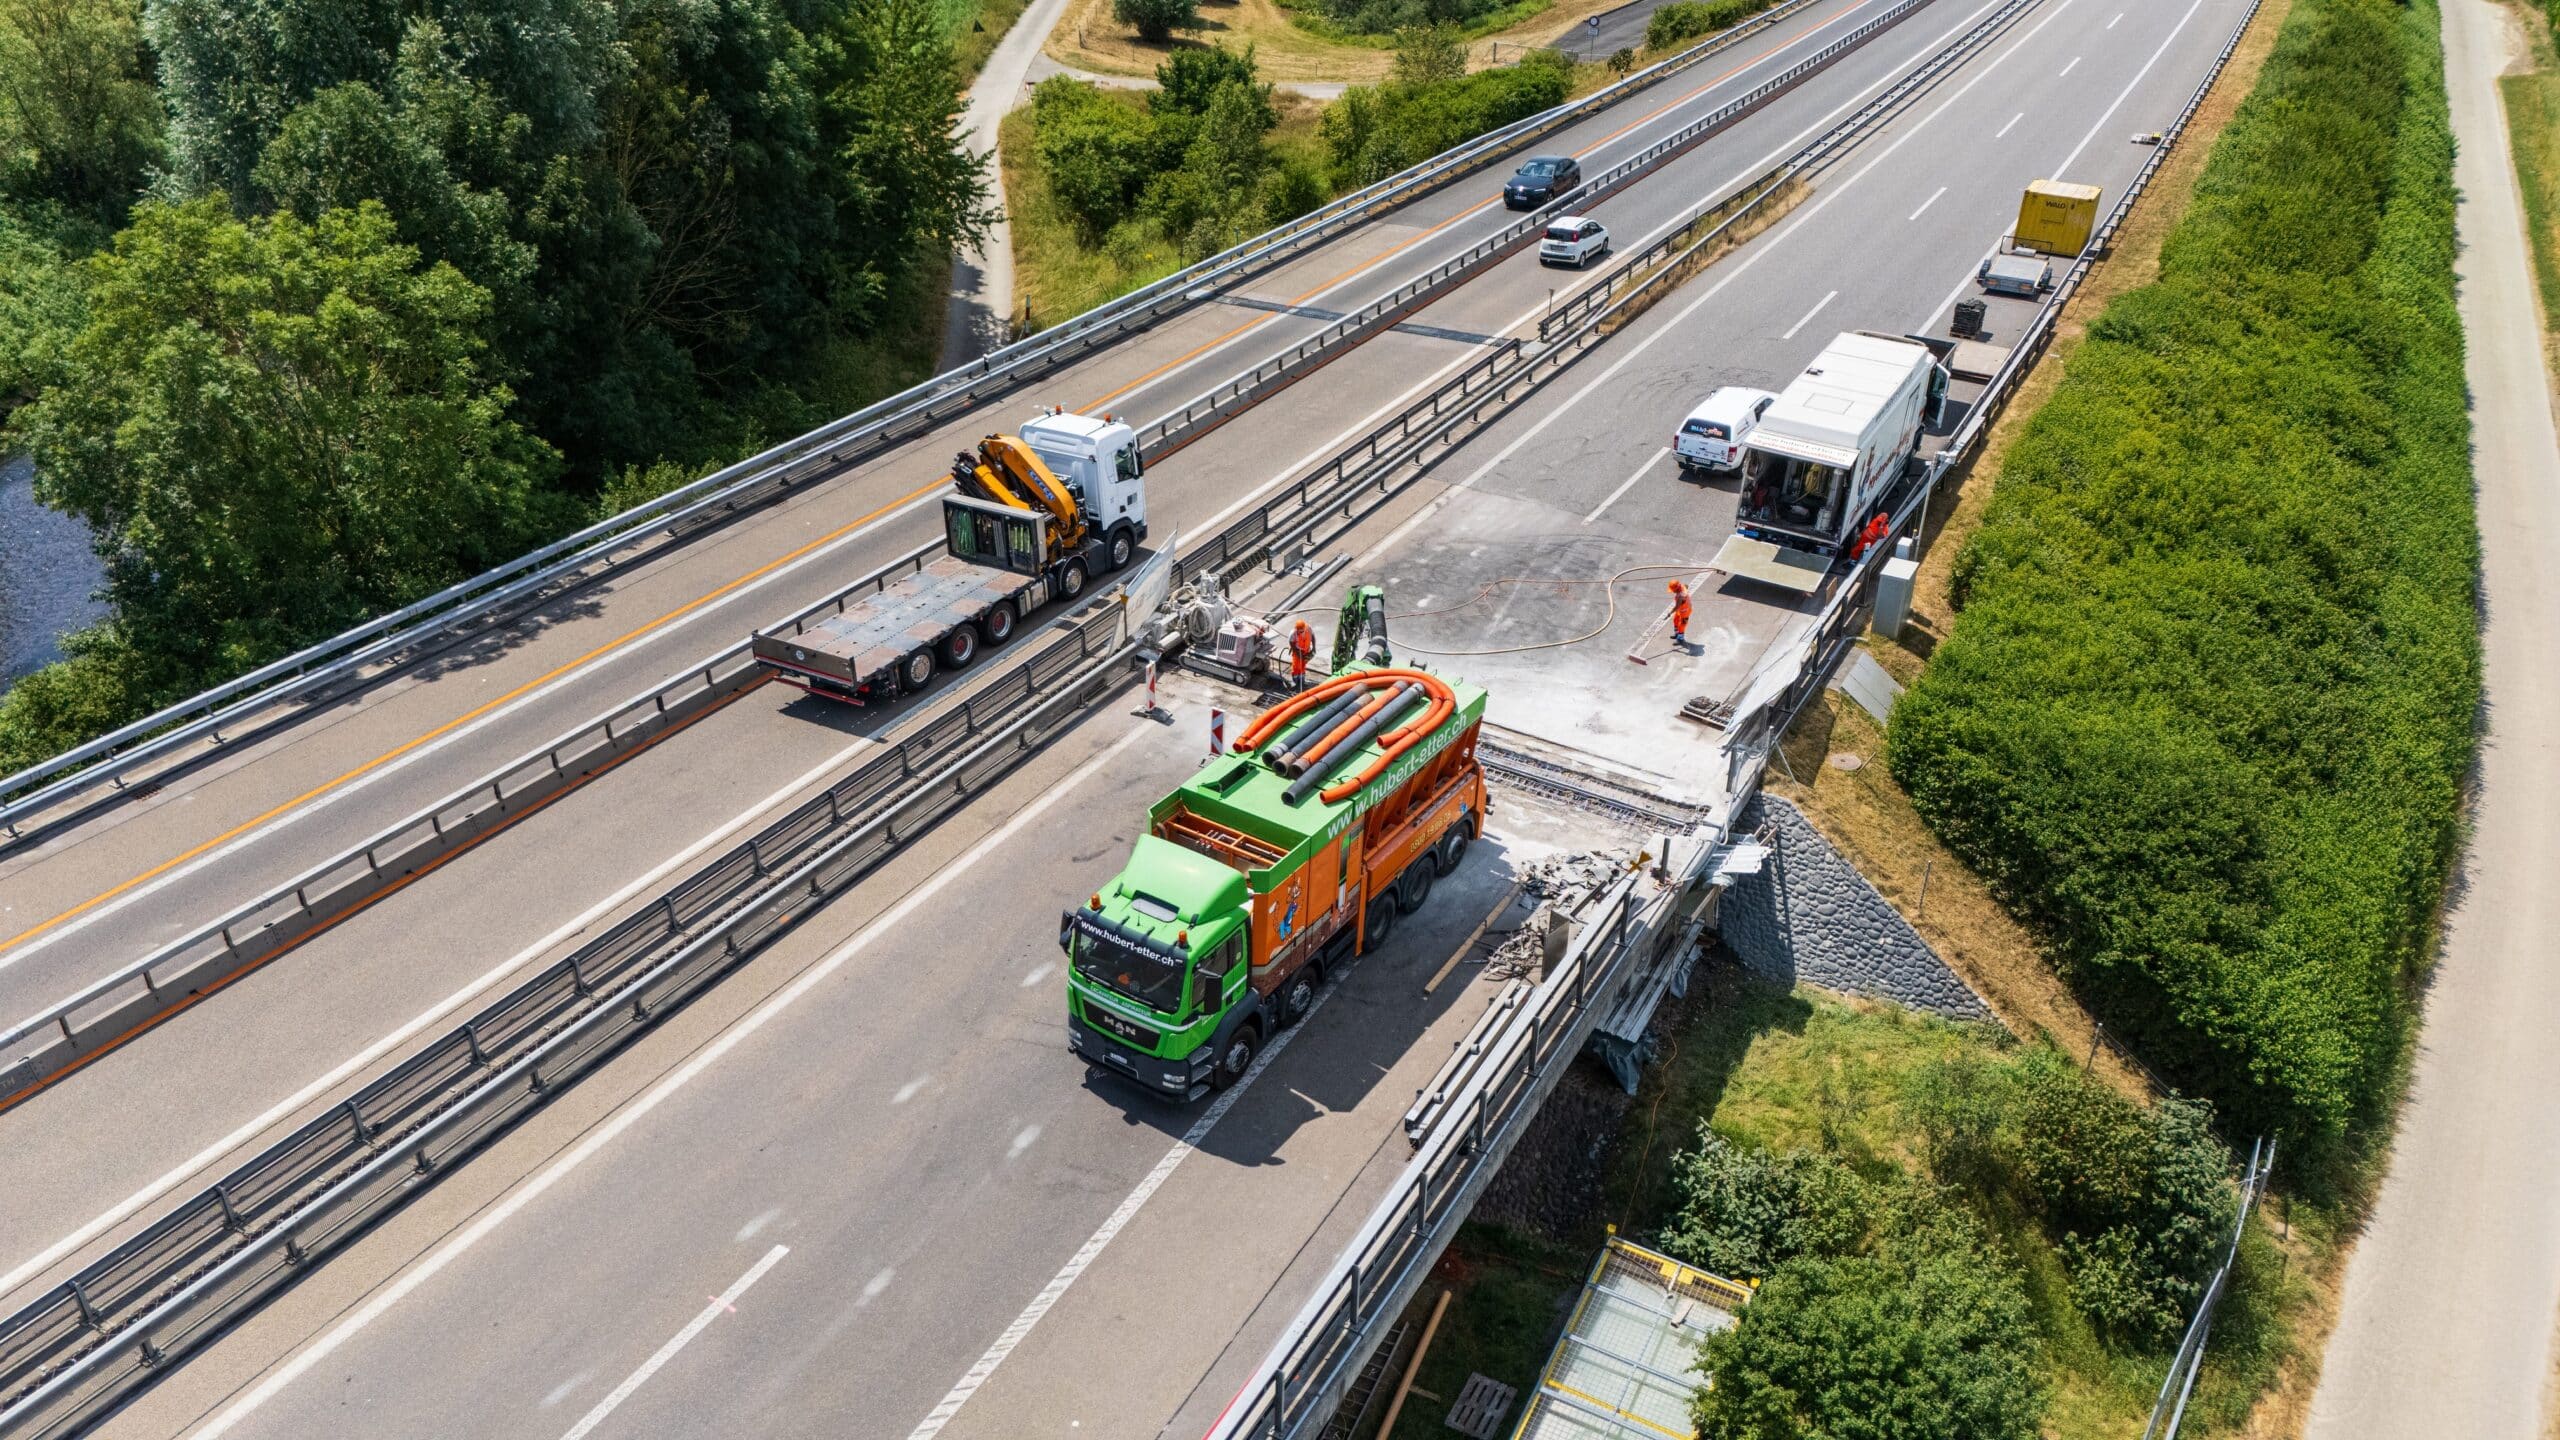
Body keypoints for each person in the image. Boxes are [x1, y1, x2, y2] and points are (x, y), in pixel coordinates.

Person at [1288, 619, 1317, 690]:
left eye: (1301, 631)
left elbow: (1312, 636)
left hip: (1306, 651)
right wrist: (1298, 654)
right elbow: (1292, 644)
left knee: (1303, 666)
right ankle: (1295, 682)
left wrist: (1314, 647)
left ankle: (1302, 681)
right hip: (1297, 651)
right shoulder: (1293, 633)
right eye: (1299, 631)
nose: (1300, 632)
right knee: (1296, 667)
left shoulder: (1308, 628)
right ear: (1296, 629)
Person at [1667, 580, 1692, 647]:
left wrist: (1670, 613)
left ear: (1676, 589)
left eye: (1673, 590)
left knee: (1682, 626)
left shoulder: (1681, 597)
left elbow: (1677, 607)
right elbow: (1686, 585)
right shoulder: (1682, 586)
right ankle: (1677, 634)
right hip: (1680, 610)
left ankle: (1680, 639)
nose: (1672, 591)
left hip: (1685, 612)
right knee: (1675, 620)